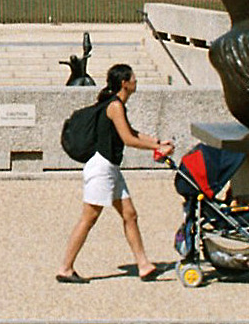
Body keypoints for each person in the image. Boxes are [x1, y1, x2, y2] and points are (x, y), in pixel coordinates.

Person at [56, 64, 173, 283]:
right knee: (88, 218)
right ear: (124, 83)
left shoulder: (117, 105)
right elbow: (128, 139)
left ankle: (144, 265)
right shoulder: (115, 106)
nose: (136, 82)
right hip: (102, 169)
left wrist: (157, 142)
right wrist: (156, 150)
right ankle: (65, 268)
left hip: (111, 168)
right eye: (133, 79)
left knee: (130, 215)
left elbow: (131, 132)